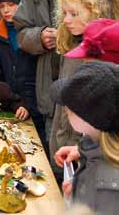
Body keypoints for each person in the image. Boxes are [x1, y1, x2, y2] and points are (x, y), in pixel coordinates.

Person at [13, 0, 82, 145]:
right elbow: (21, 32)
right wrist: (40, 37)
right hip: (51, 92)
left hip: (88, 90)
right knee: (58, 159)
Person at [50, 0, 119, 182]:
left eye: (74, 14)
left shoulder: (106, 54)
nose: (67, 20)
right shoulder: (77, 44)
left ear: (96, 11)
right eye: (65, 14)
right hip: (80, 145)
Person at [50, 61, 119, 214]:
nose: (66, 111)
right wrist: (80, 190)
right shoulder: (98, 143)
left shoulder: (108, 186)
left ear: (87, 119)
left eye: (68, 109)